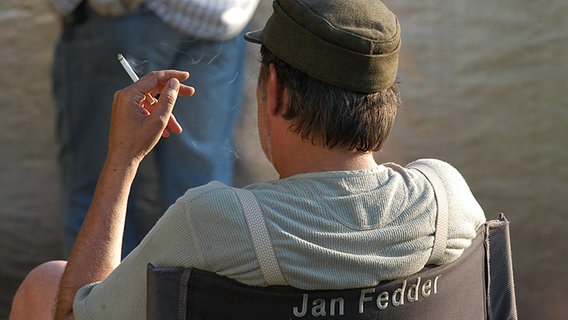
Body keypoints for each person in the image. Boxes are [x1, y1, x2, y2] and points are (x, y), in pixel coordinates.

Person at [11, 0, 486, 319]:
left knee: (45, 283)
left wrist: (121, 161)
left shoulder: (212, 224)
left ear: (274, 90)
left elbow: (75, 313)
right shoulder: (448, 200)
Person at [48, 0, 260, 256]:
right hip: (219, 15)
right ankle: (196, 293)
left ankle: (106, 295)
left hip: (126, 16)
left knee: (102, 195)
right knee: (201, 189)